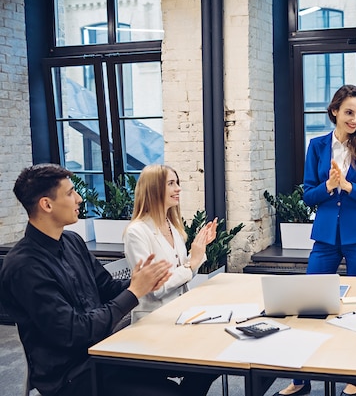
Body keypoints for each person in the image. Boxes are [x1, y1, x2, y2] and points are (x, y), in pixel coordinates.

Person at [0, 163, 213, 396]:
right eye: (70, 193)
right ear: (47, 204)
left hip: (106, 353)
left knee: (206, 365)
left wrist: (147, 281)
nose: (79, 198)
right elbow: (76, 332)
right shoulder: (24, 266)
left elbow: (106, 287)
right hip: (75, 375)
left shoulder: (72, 242)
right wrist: (134, 292)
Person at [273, 84, 356, 396]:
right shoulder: (317, 146)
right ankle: (301, 378)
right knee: (309, 304)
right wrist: (328, 185)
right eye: (349, 112)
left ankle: (355, 375)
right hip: (324, 235)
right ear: (334, 111)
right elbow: (309, 194)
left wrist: (349, 187)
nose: (355, 119)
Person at [123, 164, 218, 322]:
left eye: (177, 182)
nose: (178, 188)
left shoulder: (172, 226)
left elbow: (185, 274)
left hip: (181, 312)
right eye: (171, 183)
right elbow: (155, 288)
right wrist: (191, 264)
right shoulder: (136, 233)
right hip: (155, 319)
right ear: (154, 189)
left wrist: (199, 249)